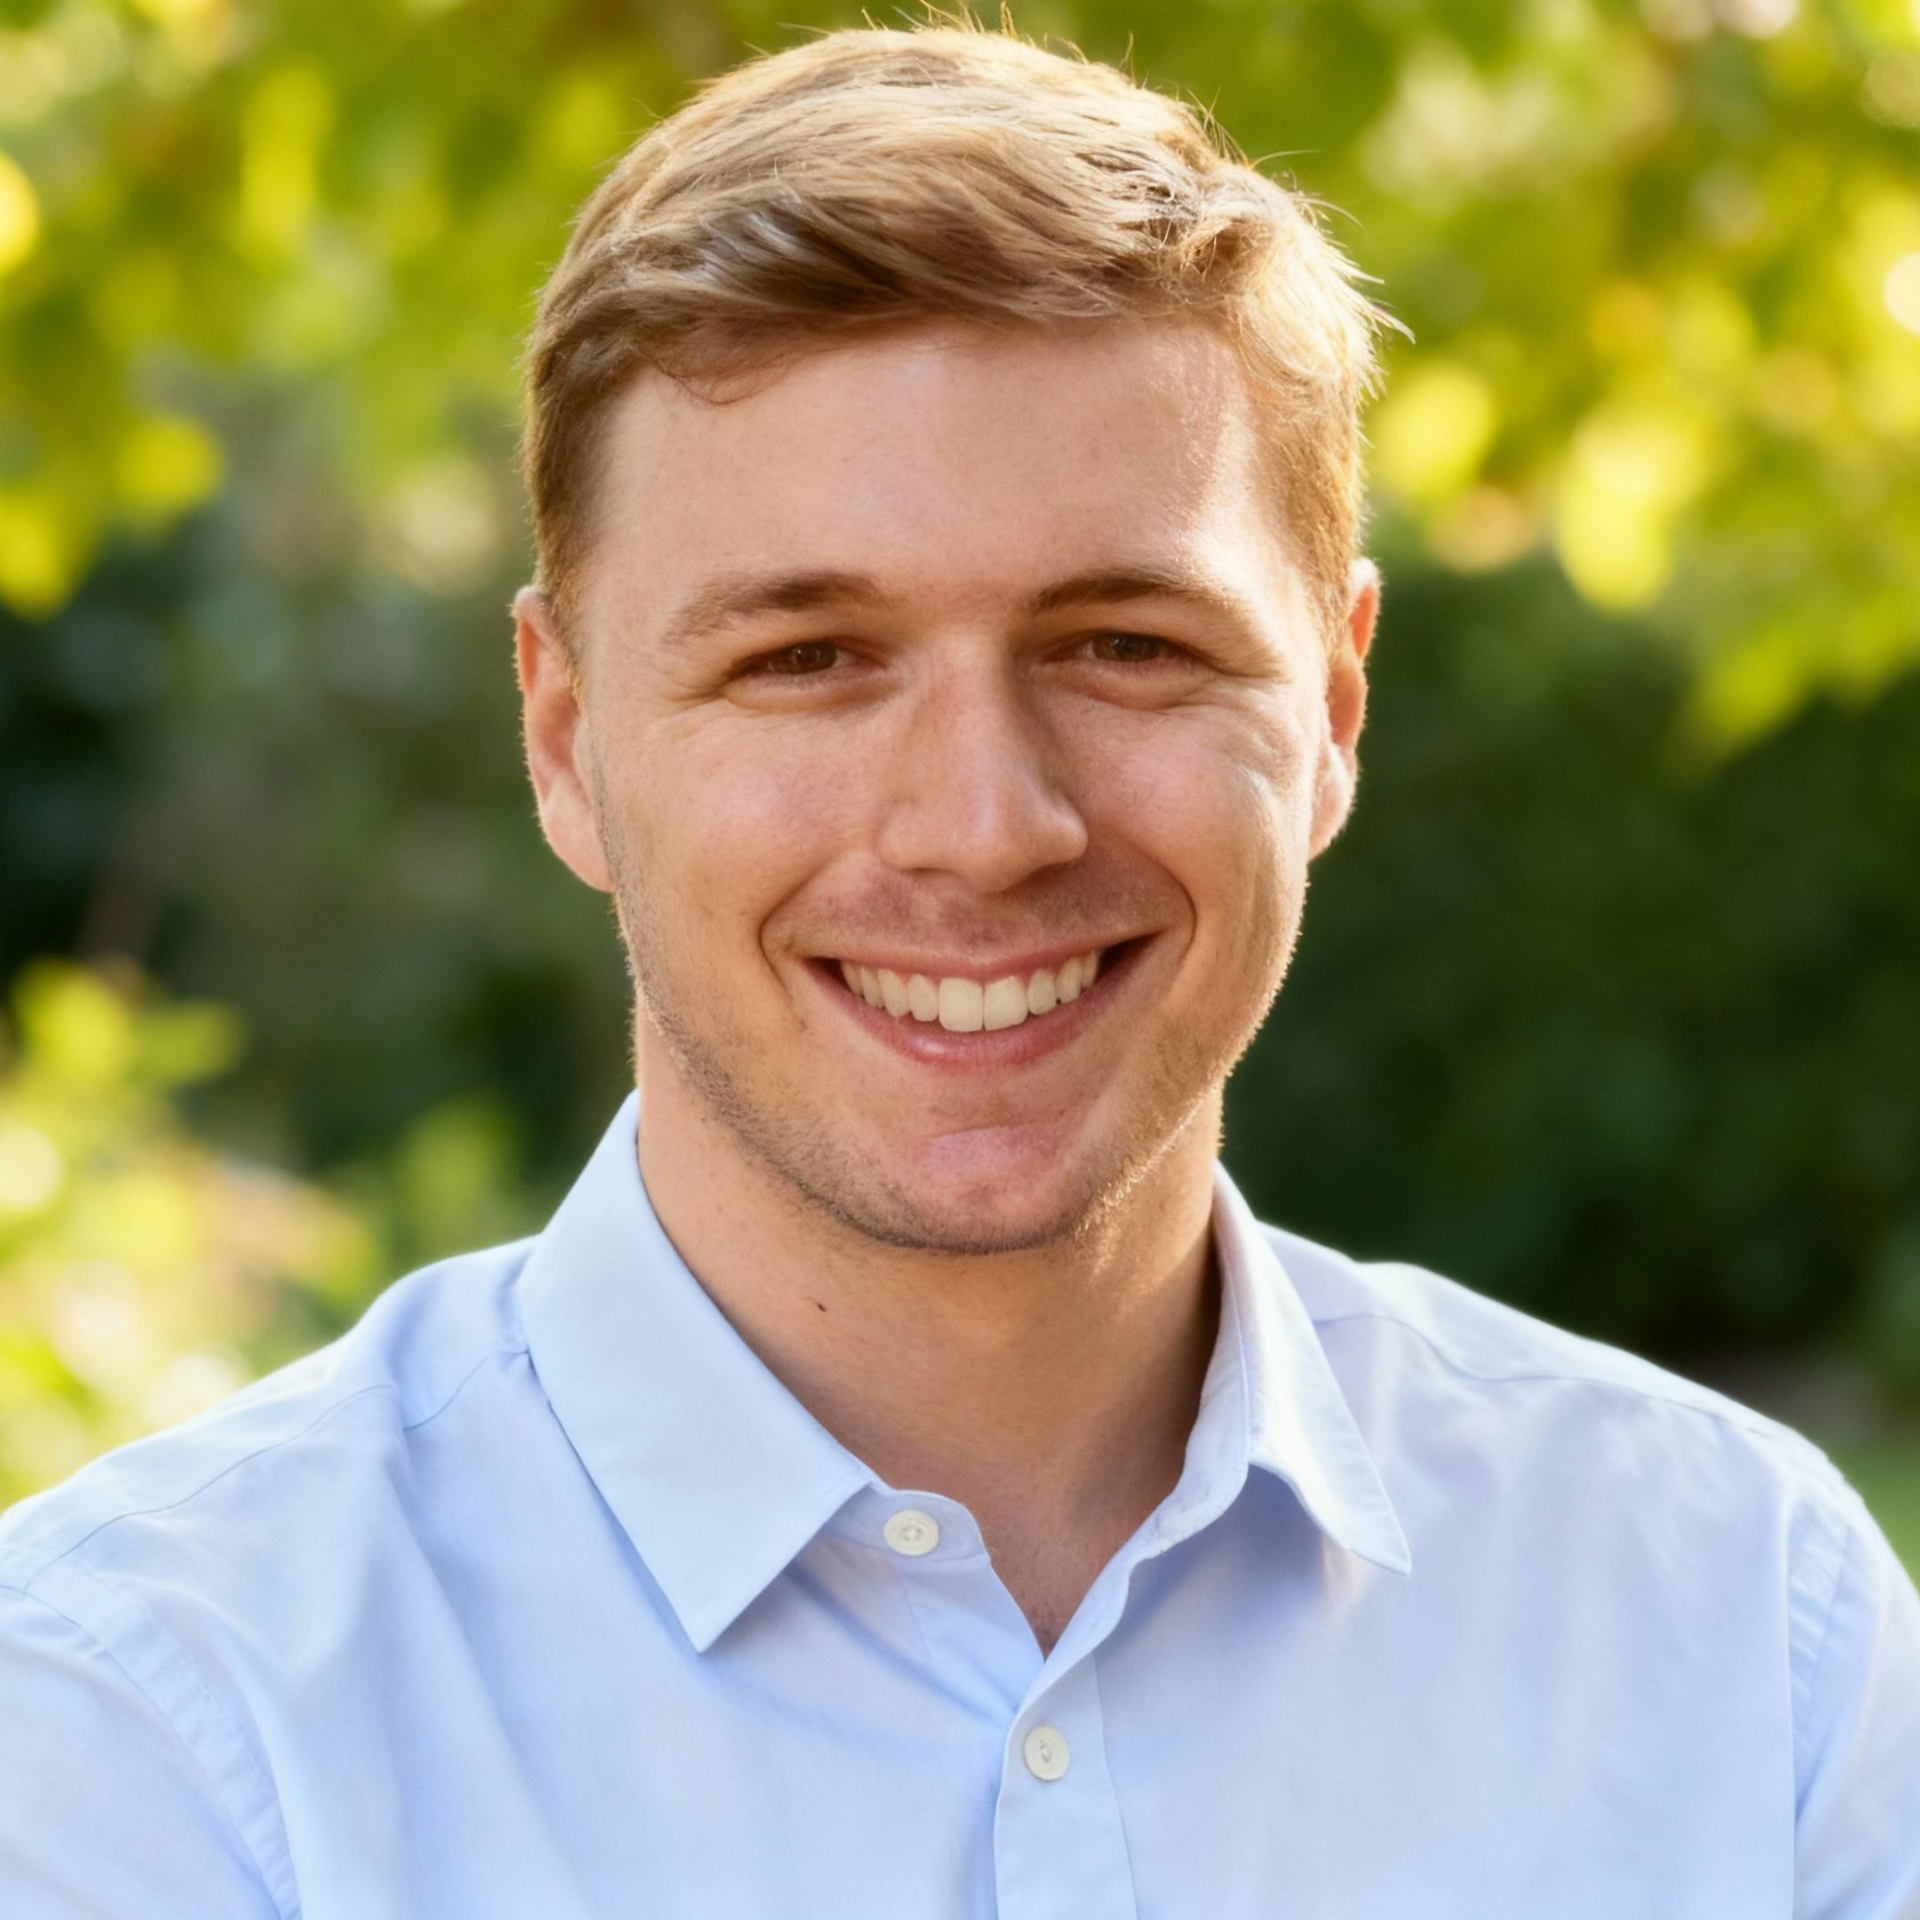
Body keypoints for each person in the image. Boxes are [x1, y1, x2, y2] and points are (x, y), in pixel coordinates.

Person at [4, 19, 1918, 1918]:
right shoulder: (143, 1732)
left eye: (1125, 646)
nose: (987, 826)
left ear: (1334, 706)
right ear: (566, 742)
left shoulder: (1741, 1632)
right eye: (807, 661)